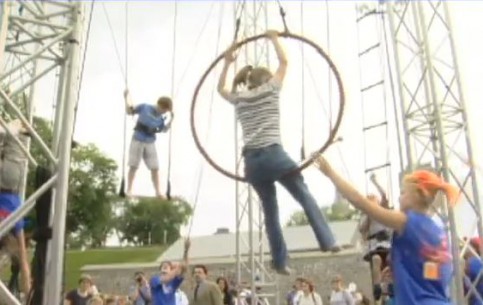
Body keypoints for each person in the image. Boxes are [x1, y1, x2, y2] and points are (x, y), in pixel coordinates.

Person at [217, 29, 338, 275]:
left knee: (270, 212)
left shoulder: (239, 98)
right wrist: (273, 38)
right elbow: (284, 62)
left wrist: (227, 62)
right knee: (303, 195)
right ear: (266, 79)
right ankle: (327, 240)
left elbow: (221, 89)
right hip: (274, 155)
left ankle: (280, 262)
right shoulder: (271, 89)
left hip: (252, 163)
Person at [315, 155, 456, 305]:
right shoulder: (437, 232)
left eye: (403, 193)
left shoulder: (406, 221)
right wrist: (400, 270)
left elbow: (359, 200)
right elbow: (431, 271)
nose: (399, 198)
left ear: (417, 195)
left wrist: (330, 173)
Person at [123, 89, 174, 198]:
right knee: (134, 165)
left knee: (155, 167)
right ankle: (129, 190)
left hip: (150, 141)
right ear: (161, 106)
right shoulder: (145, 107)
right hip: (138, 138)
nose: (165, 112)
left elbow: (163, 130)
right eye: (165, 110)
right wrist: (126, 98)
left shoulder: (161, 118)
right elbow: (129, 111)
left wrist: (171, 121)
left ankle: (158, 192)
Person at [0, 119, 31, 294]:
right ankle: (9, 129)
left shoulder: (16, 224)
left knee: (20, 133)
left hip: (11, 183)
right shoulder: (12, 224)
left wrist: (28, 290)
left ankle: (13, 128)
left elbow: (25, 263)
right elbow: (25, 266)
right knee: (16, 130)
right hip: (6, 183)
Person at [358, 174, 392, 286]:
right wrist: (369, 215)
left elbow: (384, 195)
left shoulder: (382, 209)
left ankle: (392, 282)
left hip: (386, 242)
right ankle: (377, 285)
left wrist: (375, 182)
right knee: (376, 259)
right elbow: (362, 230)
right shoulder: (365, 216)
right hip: (374, 244)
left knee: (390, 259)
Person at [150, 239, 190, 305]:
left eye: (166, 267)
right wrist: (179, 266)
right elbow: (166, 278)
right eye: (162, 267)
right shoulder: (154, 279)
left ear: (170, 270)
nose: (163, 270)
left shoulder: (173, 282)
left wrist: (186, 250)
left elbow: (184, 268)